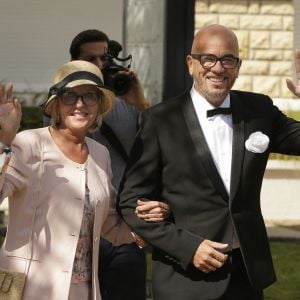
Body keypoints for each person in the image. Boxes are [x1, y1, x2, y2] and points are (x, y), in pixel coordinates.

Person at [118, 24, 300, 300]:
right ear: (191, 63)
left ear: (238, 66)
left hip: (246, 277)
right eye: (208, 59)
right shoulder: (159, 120)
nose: (218, 68)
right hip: (184, 280)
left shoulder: (259, 110)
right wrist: (189, 248)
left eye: (228, 59)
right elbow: (131, 202)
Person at [0, 61, 160, 300]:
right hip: (29, 288)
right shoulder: (29, 143)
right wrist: (4, 141)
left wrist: (145, 225)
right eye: (69, 96)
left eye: (89, 96)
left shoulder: (100, 154)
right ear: (55, 105)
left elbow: (108, 224)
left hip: (83, 290)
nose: (79, 104)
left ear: (98, 106)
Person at [68, 29, 168, 300]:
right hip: (76, 230)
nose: (100, 66)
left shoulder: (125, 103)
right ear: (74, 62)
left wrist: (139, 101)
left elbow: (160, 145)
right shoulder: (63, 104)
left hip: (123, 225)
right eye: (92, 59)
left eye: (104, 59)